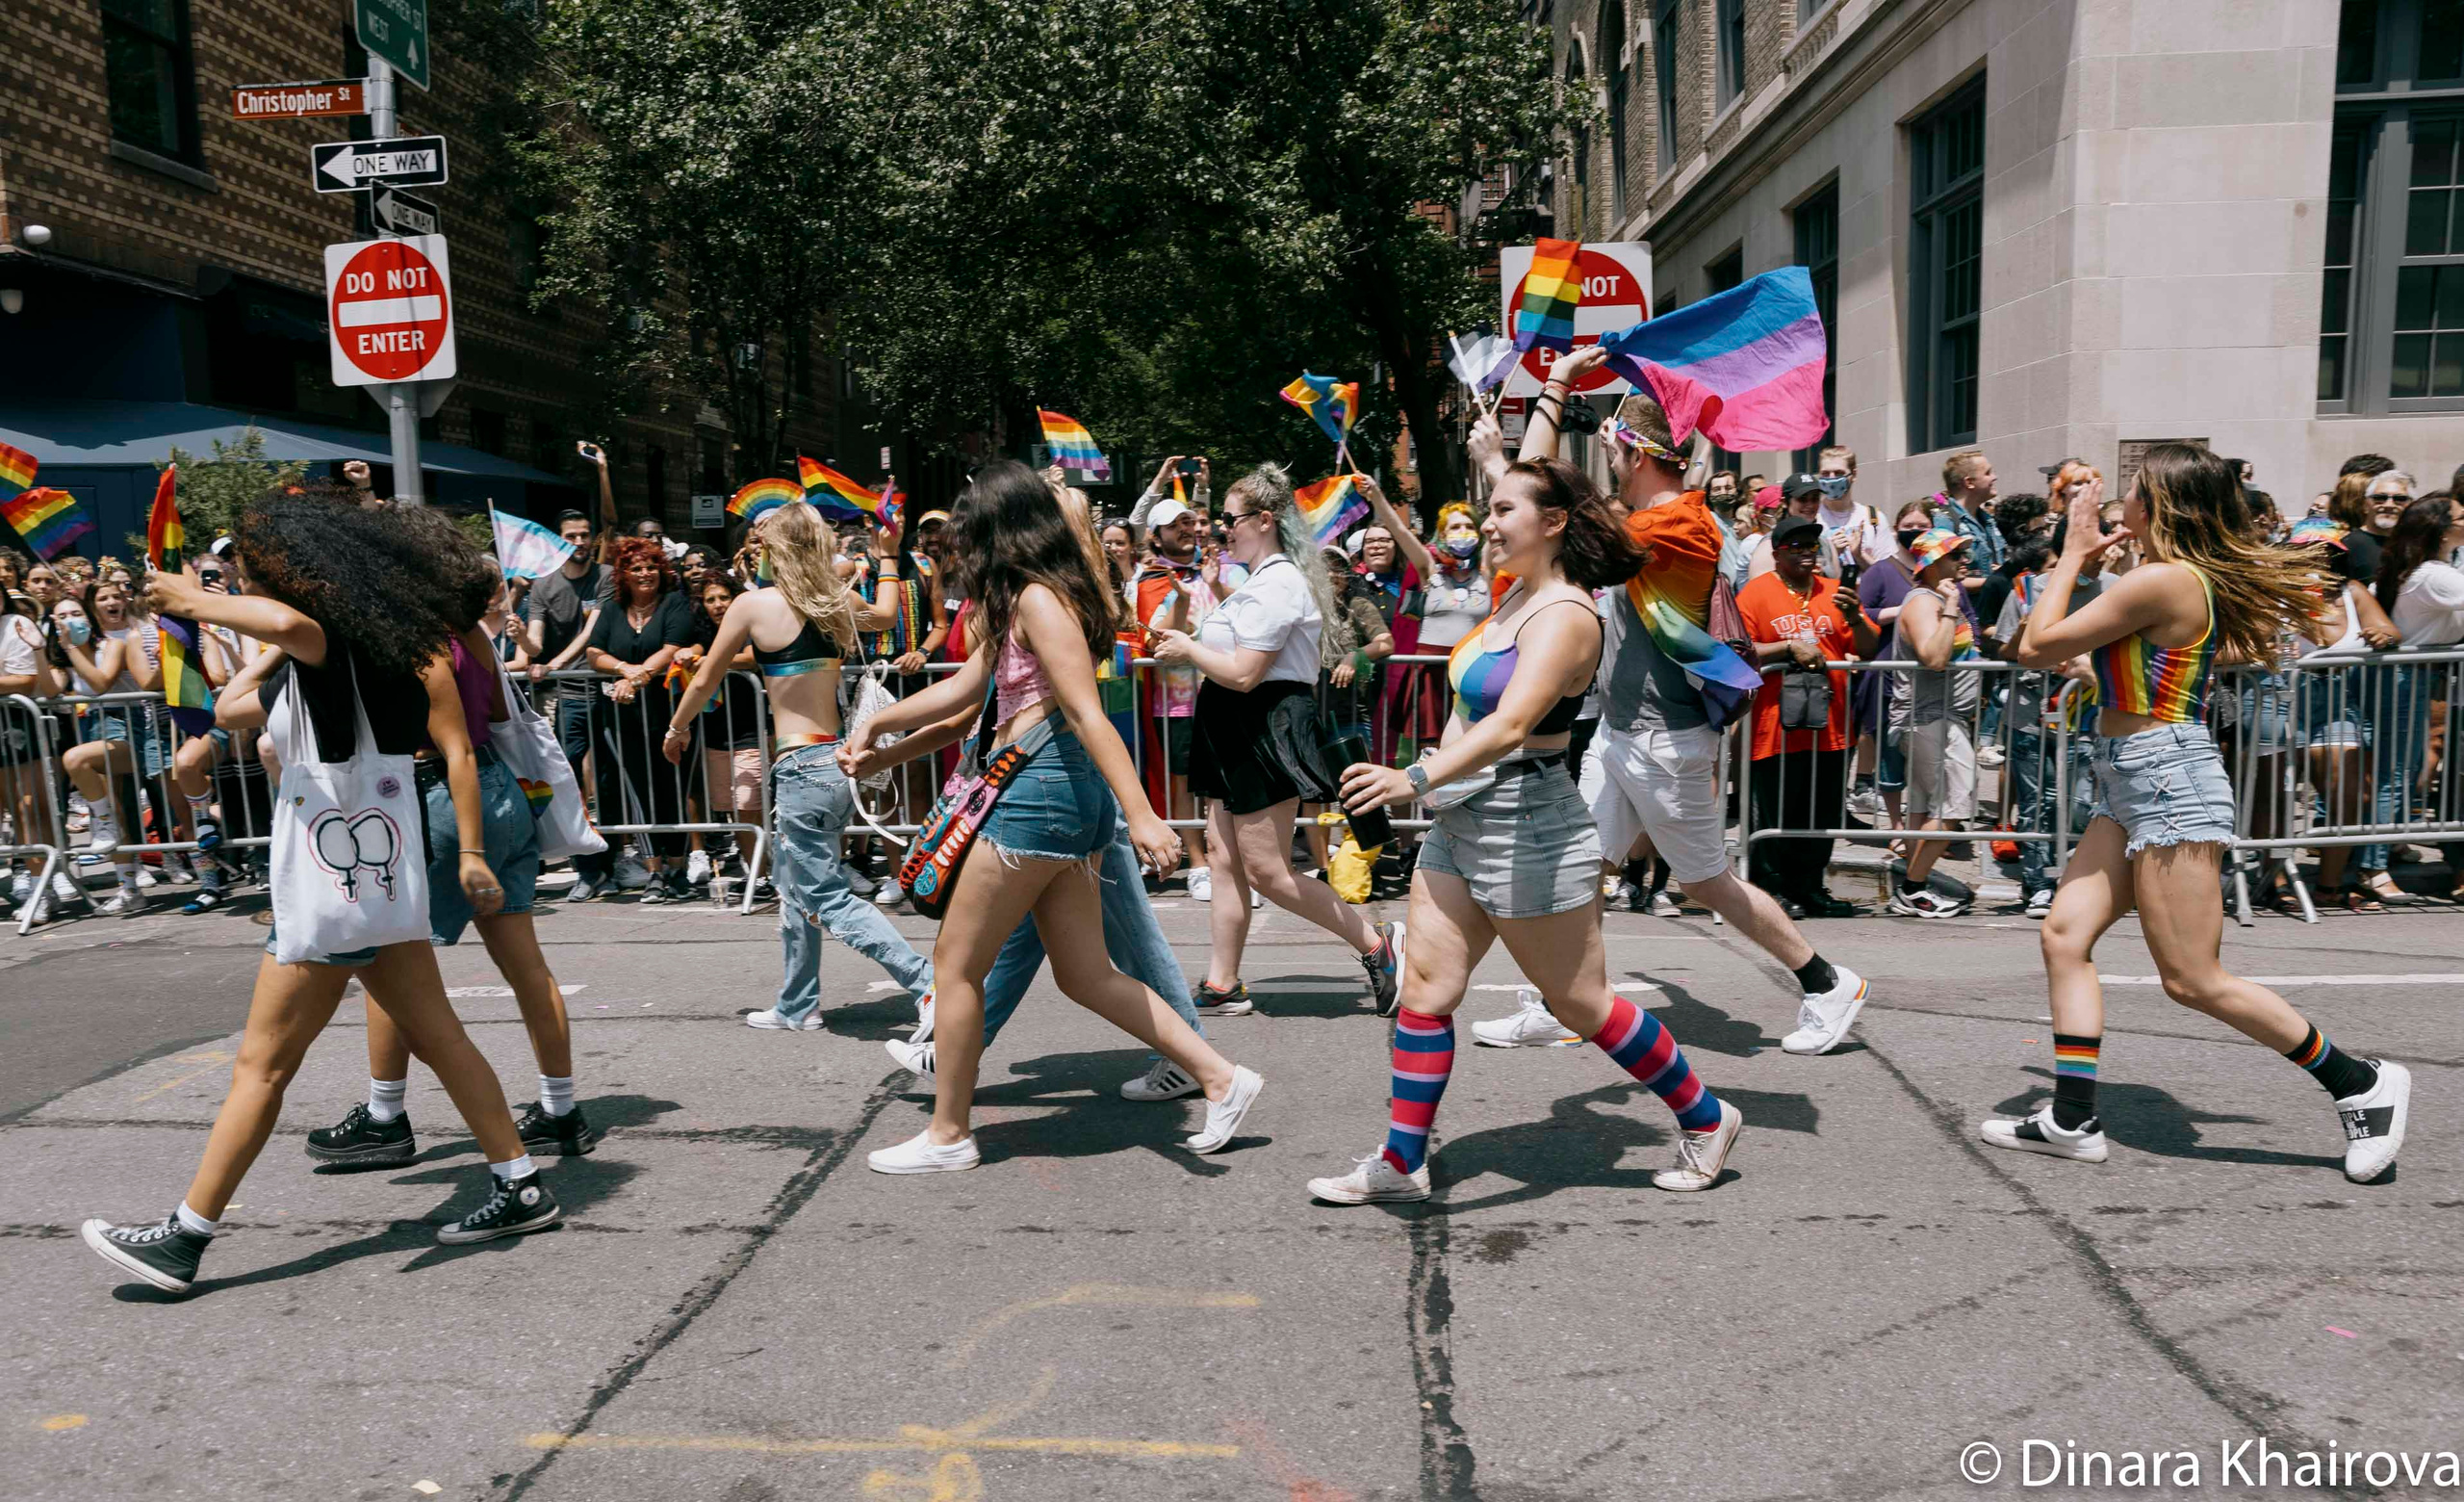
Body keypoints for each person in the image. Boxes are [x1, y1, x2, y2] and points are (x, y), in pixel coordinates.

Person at [83, 493, 562, 1295]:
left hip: (333, 881)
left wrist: (191, 597)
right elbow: (253, 682)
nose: (249, 574)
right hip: (377, 869)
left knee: (262, 1065)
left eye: (260, 565)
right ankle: (519, 1185)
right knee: (441, 1038)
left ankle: (185, 1238)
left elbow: (287, 632)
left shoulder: (324, 635)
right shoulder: (389, 639)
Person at [1307, 453, 1744, 1204]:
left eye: (1506, 509)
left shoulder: (1570, 615)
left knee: (1581, 1005)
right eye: (1491, 507)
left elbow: (1511, 724)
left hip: (1532, 824)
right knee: (1427, 991)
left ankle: (1706, 1116)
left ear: (1553, 523)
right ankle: (1401, 1162)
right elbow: (1467, 705)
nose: (1489, 520)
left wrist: (1411, 780)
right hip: (1464, 816)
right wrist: (1438, 783)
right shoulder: (1510, 597)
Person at [1981, 444, 2411, 1183]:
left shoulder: (2166, 579)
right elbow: (2040, 649)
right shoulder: (2153, 580)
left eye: (2135, 494)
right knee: (2064, 933)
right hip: (2130, 776)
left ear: (2162, 507)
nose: (2122, 507)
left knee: (2192, 979)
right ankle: (2073, 1118)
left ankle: (2361, 1083)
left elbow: (2039, 642)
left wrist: (2072, 557)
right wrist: (2084, 599)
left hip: (2169, 781)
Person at [840, 460, 1264, 1173]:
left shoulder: (1040, 599)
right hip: (1047, 795)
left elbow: (1085, 713)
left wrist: (1145, 816)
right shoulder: (1021, 598)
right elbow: (966, 694)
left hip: (1039, 795)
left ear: (1002, 526)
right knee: (1084, 973)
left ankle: (949, 1135)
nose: (961, 540)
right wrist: (880, 740)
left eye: (971, 525)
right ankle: (1223, 1079)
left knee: (955, 965)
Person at [1492, 345, 1869, 1055]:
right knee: (1583, 867)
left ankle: (1826, 981)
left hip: (1667, 738)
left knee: (1708, 884)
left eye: (1613, 444)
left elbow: (1541, 501)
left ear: (1630, 449)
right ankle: (1561, 1003)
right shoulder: (1645, 518)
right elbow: (1540, 497)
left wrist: (1558, 388)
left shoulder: (1682, 526)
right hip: (1621, 734)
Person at [302, 517, 599, 1164]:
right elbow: (494, 716)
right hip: (503, 792)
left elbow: (451, 744)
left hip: (441, 793)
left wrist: (463, 845)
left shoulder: (408, 640)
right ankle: (562, 1109)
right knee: (525, 965)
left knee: (391, 963)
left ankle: (386, 1117)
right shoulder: (472, 634)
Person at [1152, 464, 1406, 1017]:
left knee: (1269, 870)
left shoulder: (1282, 580)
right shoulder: (1258, 579)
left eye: (1230, 520)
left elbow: (1244, 672)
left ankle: (1376, 944)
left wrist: (1186, 649)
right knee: (1222, 856)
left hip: (1263, 721)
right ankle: (1222, 984)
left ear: (1264, 521)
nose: (1221, 531)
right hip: (1233, 720)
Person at [664, 502, 928, 1030]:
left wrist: (677, 727)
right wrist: (890, 556)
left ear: (777, 550)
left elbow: (703, 678)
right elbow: (885, 615)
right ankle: (796, 1003)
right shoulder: (834, 599)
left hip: (800, 766)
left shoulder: (753, 606)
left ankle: (926, 982)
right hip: (834, 759)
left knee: (824, 893)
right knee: (793, 883)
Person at [1736, 515, 1882, 918]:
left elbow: (1869, 648)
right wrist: (1786, 648)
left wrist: (1854, 617)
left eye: (1811, 546)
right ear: (1777, 553)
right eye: (1796, 547)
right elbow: (1738, 650)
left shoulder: (1835, 592)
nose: (1806, 553)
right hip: (1774, 729)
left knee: (1820, 814)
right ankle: (1769, 892)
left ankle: (1810, 888)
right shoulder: (1754, 595)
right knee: (1773, 815)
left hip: (1831, 727)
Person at [526, 443, 624, 896]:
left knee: (608, 778)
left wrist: (603, 470)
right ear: (558, 539)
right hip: (568, 697)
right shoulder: (544, 586)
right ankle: (587, 869)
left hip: (603, 687)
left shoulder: (605, 577)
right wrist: (526, 643)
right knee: (568, 780)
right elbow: (535, 642)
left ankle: (615, 859)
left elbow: (590, 632)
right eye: (572, 536)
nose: (581, 542)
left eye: (585, 535)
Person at [581, 536, 696, 901]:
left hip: (669, 712)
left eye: (650, 567)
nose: (645, 573)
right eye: (636, 568)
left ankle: (677, 869)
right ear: (624, 575)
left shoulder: (674, 602)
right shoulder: (613, 608)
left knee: (670, 789)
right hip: (622, 716)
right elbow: (594, 652)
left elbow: (672, 648)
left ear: (661, 571)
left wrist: (638, 677)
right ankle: (653, 872)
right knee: (636, 790)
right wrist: (623, 669)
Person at [1885, 531, 1985, 917]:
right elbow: (1934, 657)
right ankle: (1912, 888)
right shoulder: (1925, 603)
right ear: (1929, 565)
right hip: (1929, 719)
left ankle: (1913, 887)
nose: (1964, 559)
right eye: (1954, 555)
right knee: (1954, 807)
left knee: (1926, 809)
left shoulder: (1935, 599)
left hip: (1940, 718)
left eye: (1964, 552)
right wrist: (1952, 605)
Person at [54, 578, 164, 914]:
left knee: (75, 760)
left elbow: (100, 683)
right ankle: (128, 889)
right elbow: (65, 688)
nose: (71, 619)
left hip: (130, 730)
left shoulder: (115, 643)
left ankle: (102, 822)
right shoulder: (78, 648)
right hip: (95, 728)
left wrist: (72, 649)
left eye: (76, 612)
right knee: (116, 815)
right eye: (63, 616)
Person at [1742, 475, 1843, 581]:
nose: (1810, 505)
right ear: (1785, 502)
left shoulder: (1825, 544)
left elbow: (1836, 586)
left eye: (1815, 499)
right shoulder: (1770, 545)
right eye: (1802, 499)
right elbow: (1761, 591)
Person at [1812, 446, 1892, 573]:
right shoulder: (1812, 517)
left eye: (1839, 473)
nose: (1832, 479)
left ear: (1853, 475)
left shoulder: (1873, 518)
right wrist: (1832, 552)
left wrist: (1859, 556)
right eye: (1825, 474)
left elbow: (1888, 574)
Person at [1934, 451, 2006, 584]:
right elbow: (1944, 579)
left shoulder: (1988, 520)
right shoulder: (1944, 520)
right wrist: (1994, 582)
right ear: (1969, 482)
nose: (1995, 477)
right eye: (1988, 473)